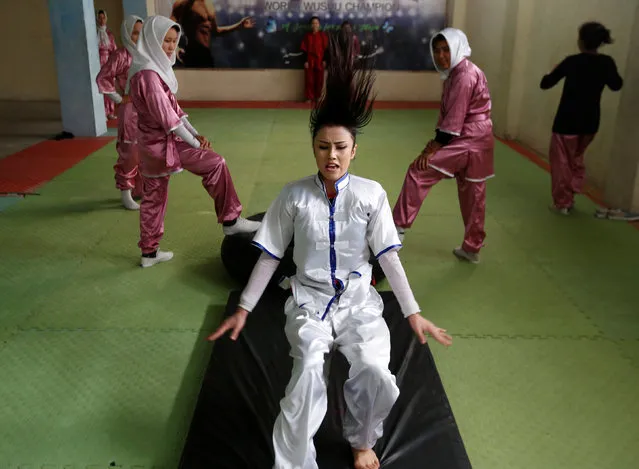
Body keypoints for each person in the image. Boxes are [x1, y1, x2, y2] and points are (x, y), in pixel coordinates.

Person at [207, 32, 452, 469]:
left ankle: (361, 440)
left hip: (358, 301)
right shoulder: (294, 196)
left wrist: (413, 312)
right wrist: (244, 308)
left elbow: (388, 257)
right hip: (309, 301)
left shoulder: (372, 195)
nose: (332, 156)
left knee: (377, 373)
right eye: (323, 147)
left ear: (354, 150)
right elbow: (268, 255)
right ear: (314, 149)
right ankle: (296, 462)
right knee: (305, 380)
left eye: (341, 147)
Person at [126, 16, 260, 268]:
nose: (169, 47)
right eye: (165, 40)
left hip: (155, 145)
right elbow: (170, 121)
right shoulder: (149, 78)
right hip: (163, 145)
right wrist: (196, 144)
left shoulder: (150, 71)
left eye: (173, 42)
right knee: (216, 163)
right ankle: (231, 221)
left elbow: (177, 112)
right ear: (152, 40)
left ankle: (149, 253)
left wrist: (195, 133)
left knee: (154, 199)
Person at [393, 28, 494, 264]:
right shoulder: (459, 72)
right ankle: (472, 247)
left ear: (457, 47)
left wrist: (433, 147)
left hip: (467, 138)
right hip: (480, 139)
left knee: (419, 170)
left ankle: (396, 230)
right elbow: (450, 116)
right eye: (437, 50)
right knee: (473, 194)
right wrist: (435, 141)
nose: (440, 55)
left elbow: (455, 118)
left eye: (446, 49)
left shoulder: (464, 76)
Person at [540, 22, 623, 215]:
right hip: (590, 123)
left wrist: (553, 70)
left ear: (582, 41)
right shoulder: (607, 63)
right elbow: (616, 85)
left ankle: (563, 203)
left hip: (566, 122)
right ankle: (572, 191)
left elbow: (545, 83)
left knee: (562, 163)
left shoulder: (571, 61)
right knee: (576, 158)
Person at [96, 15, 145, 210]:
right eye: (134, 32)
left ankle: (140, 189)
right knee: (129, 152)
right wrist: (119, 98)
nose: (138, 37)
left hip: (146, 110)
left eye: (141, 33)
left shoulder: (146, 54)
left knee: (144, 150)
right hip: (130, 111)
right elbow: (103, 77)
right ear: (126, 33)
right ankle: (126, 191)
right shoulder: (121, 55)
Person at [169, 0, 255, 67]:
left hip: (207, 54)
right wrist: (175, 48)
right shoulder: (184, 3)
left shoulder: (209, 4)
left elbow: (215, 31)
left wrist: (238, 26)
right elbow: (169, 26)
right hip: (192, 52)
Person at [301, 16, 329, 103]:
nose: (315, 25)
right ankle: (309, 97)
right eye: (313, 23)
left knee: (319, 79)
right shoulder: (307, 36)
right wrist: (305, 61)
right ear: (311, 25)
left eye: (316, 23)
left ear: (319, 25)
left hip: (320, 61)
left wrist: (325, 60)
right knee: (309, 79)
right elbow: (304, 49)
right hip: (310, 60)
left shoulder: (323, 36)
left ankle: (318, 97)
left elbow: (326, 49)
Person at [96, 10, 118, 120]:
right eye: (99, 18)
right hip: (97, 64)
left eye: (103, 17)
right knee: (100, 89)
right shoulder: (94, 34)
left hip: (108, 63)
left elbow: (114, 51)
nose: (101, 20)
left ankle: (110, 111)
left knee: (109, 87)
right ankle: (102, 113)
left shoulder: (109, 35)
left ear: (106, 18)